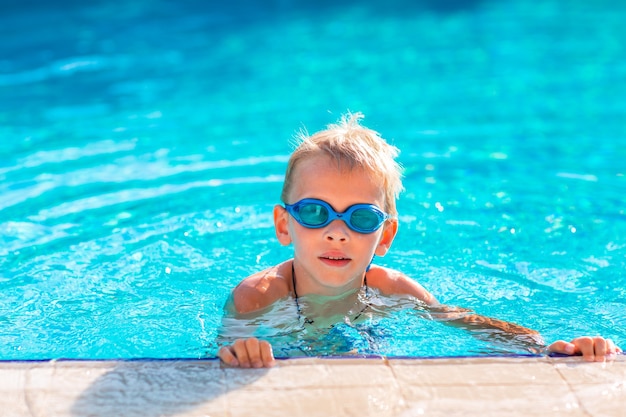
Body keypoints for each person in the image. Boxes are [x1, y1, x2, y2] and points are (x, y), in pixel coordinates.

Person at [218, 112, 622, 368]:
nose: (336, 231)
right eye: (314, 212)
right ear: (284, 224)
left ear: (385, 235)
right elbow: (212, 359)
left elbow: (471, 325)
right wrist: (239, 353)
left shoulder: (393, 290)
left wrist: (549, 348)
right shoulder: (257, 298)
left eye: (360, 218)